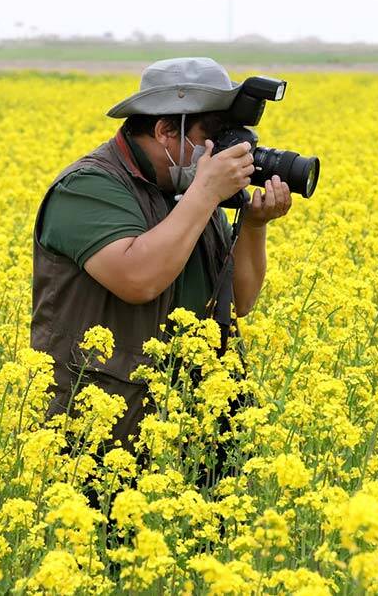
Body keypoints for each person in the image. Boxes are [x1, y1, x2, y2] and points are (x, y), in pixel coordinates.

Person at [30, 57, 292, 450]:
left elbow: (238, 300)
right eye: (218, 135)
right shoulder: (86, 188)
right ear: (167, 129)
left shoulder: (188, 191)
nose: (233, 150)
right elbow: (138, 279)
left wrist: (254, 226)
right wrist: (205, 192)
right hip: (104, 433)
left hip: (197, 423)